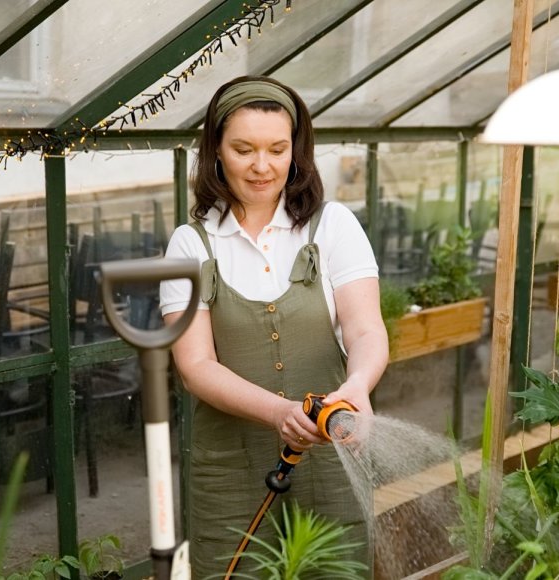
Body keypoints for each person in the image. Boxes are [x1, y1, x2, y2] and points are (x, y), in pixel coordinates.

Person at [159, 75, 389, 578]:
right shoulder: (191, 244)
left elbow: (367, 330)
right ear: (216, 151)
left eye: (277, 149)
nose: (262, 166)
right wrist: (280, 411)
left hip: (333, 463)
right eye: (243, 149)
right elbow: (195, 366)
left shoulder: (333, 227)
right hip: (229, 469)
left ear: (296, 151)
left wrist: (357, 386)